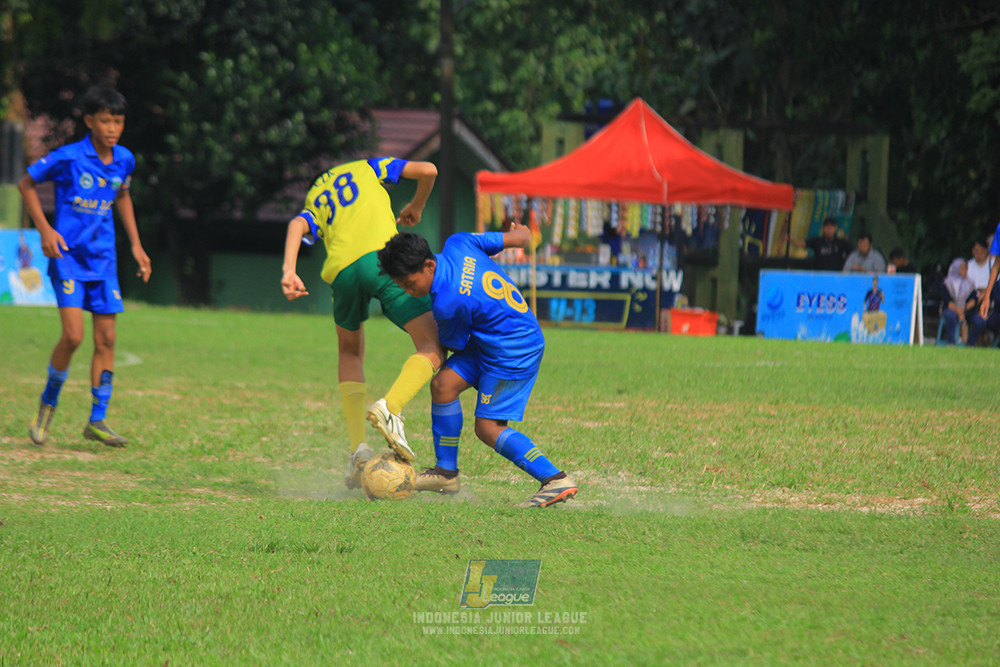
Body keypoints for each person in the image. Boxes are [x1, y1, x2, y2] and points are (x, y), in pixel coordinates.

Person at [376, 224, 578, 509]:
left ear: (429, 265)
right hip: (494, 339)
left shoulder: (449, 302)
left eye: (410, 284)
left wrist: (424, 348)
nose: (409, 292)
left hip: (513, 349)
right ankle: (446, 474)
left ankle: (555, 479)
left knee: (487, 428)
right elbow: (514, 238)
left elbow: (449, 346)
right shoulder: (458, 242)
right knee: (443, 385)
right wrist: (521, 234)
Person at [281, 157, 445, 488]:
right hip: (381, 260)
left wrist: (289, 270)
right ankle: (391, 407)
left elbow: (296, 225)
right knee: (434, 346)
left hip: (342, 272)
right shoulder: (369, 167)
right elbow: (429, 170)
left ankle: (359, 451)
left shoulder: (317, 195)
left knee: (350, 353)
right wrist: (416, 204)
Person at [18, 86, 152, 447]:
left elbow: (122, 195)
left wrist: (137, 245)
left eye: (118, 121)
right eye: (105, 121)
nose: (112, 128)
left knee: (107, 339)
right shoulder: (70, 157)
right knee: (74, 336)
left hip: (104, 262)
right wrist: (45, 230)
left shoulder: (124, 159)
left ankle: (97, 420)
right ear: (90, 121)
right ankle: (47, 406)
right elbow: (26, 183)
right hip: (69, 260)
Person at [785, 216, 853, 271]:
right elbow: (803, 244)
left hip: (835, 275)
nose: (829, 230)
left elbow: (853, 252)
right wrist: (792, 240)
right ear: (823, 228)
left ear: (835, 228)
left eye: (831, 227)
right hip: (819, 275)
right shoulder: (817, 241)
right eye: (827, 227)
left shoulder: (841, 242)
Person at [940, 258, 977, 345]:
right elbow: (947, 302)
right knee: (951, 316)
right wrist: (958, 311)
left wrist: (963, 309)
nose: (965, 270)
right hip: (951, 309)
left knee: (979, 321)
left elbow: (973, 300)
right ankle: (951, 342)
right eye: (963, 268)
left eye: (966, 268)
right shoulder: (947, 283)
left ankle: (969, 344)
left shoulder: (970, 283)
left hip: (966, 309)